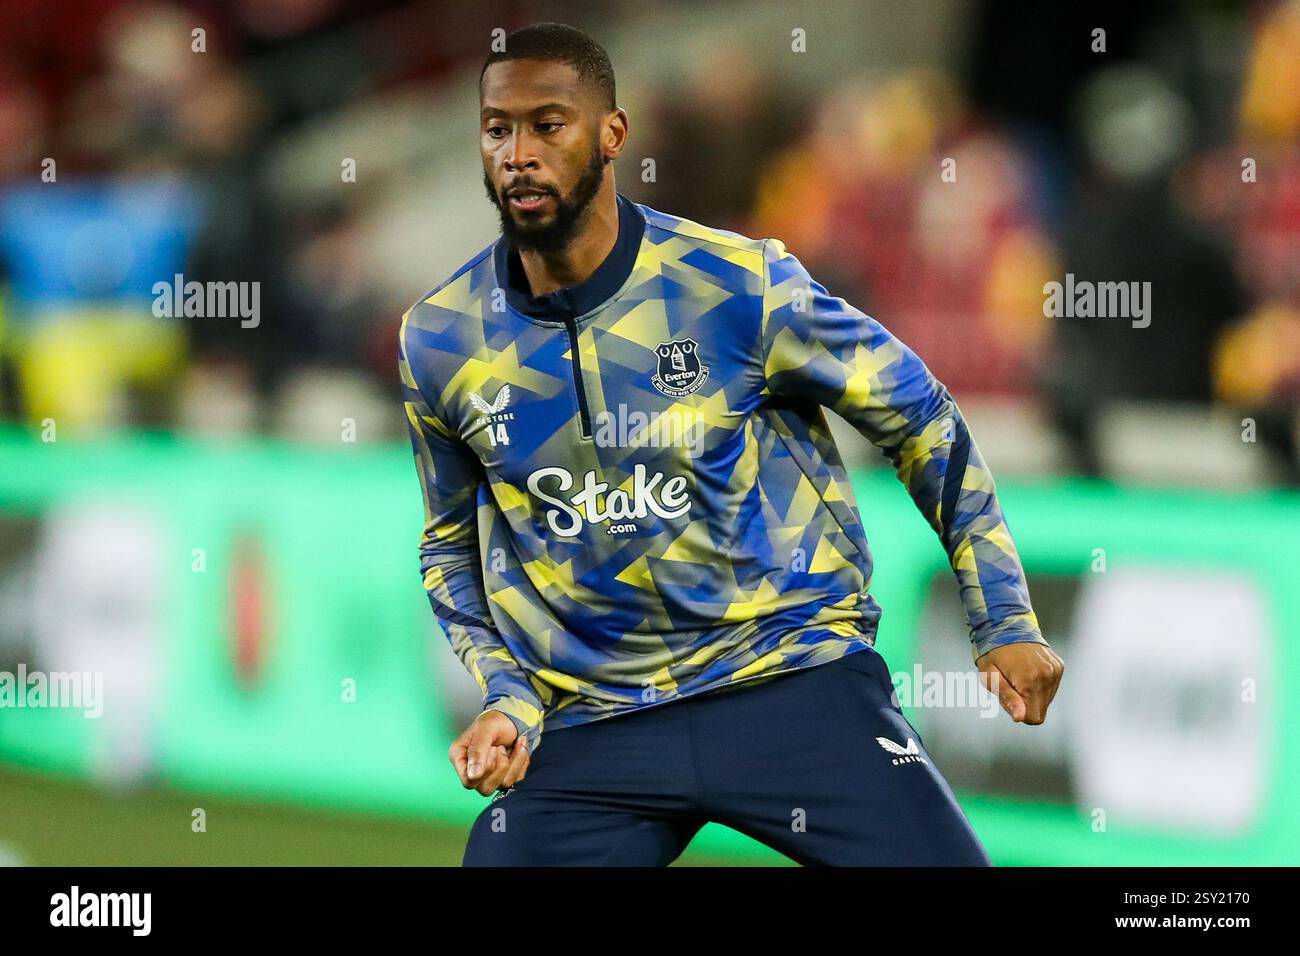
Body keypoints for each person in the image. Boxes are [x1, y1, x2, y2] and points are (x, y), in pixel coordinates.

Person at [398, 22, 1064, 866]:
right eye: (499, 128)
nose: (519, 152)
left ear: (612, 135)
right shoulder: (441, 339)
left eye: (549, 124)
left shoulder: (735, 286)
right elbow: (450, 546)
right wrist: (507, 695)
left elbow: (921, 417)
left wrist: (1001, 613)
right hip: (595, 720)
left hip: (789, 681)